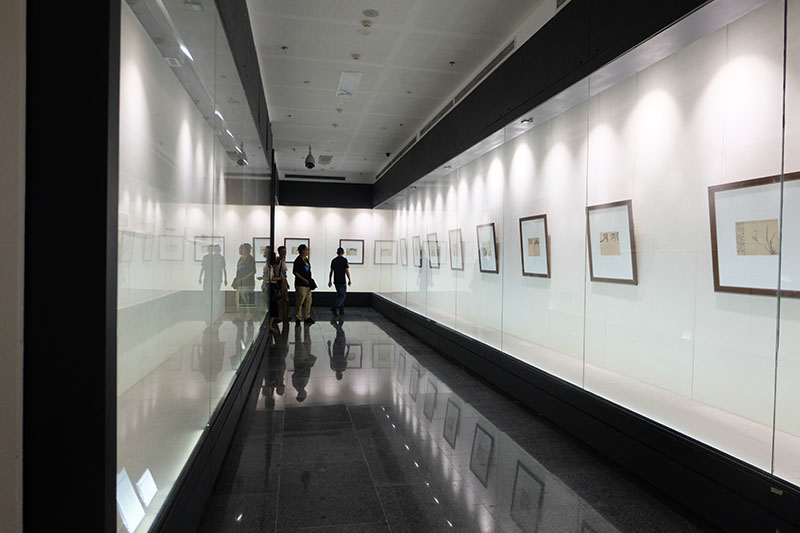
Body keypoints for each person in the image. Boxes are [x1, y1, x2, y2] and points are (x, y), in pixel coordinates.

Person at [198, 244, 227, 320]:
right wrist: (200, 277)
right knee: (212, 293)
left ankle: (211, 308)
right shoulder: (214, 258)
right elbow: (204, 268)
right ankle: (211, 308)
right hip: (212, 279)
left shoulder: (214, 258)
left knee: (211, 294)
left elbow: (223, 269)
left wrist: (200, 277)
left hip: (213, 279)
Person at [292, 244, 314, 327]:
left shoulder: (306, 260)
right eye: (306, 249)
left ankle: (307, 316)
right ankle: (298, 317)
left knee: (308, 301)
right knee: (300, 301)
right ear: (302, 251)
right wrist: (303, 279)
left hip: (308, 284)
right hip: (301, 284)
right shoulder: (298, 260)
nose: (308, 251)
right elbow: (295, 272)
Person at [327, 247, 351, 316]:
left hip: (336, 280)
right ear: (343, 252)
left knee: (339, 295)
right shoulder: (344, 260)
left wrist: (330, 280)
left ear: (337, 253)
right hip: (342, 280)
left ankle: (341, 311)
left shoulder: (334, 260)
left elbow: (331, 271)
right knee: (342, 296)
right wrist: (349, 279)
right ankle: (335, 307)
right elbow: (346, 270)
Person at [232, 243, 256, 308]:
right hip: (240, 283)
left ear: (246, 250)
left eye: (241, 249)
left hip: (247, 284)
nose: (240, 250)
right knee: (239, 301)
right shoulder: (241, 258)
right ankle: (240, 313)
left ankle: (248, 313)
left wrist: (242, 279)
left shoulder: (250, 259)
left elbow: (253, 271)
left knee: (246, 301)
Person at [277, 245, 290, 321]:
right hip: (280, 281)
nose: (284, 253)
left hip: (283, 281)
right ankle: (278, 316)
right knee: (281, 300)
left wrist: (286, 282)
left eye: (285, 251)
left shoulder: (283, 261)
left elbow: (284, 273)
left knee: (285, 299)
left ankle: (285, 316)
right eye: (283, 251)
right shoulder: (278, 261)